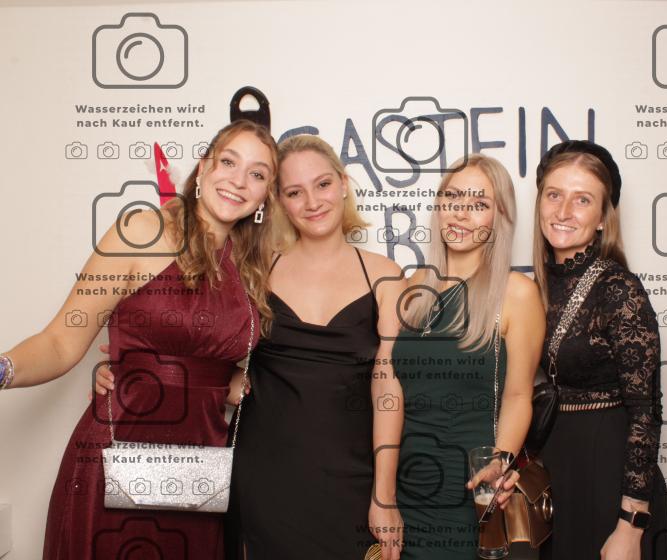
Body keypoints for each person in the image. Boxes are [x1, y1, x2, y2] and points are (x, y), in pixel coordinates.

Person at [1, 119, 281, 559]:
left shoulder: (253, 268)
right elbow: (59, 342)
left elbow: (225, 364)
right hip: (117, 457)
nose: (239, 180)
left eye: (257, 173)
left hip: (197, 475)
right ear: (204, 168)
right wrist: (3, 369)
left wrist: (230, 382)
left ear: (265, 195)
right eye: (229, 162)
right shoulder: (140, 232)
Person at [223, 134, 406, 560]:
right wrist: (137, 368)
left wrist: (384, 495)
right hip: (263, 472)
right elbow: (200, 336)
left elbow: (388, 389)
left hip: (352, 477)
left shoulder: (386, 277)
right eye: (294, 192)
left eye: (322, 184)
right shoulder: (256, 269)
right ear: (279, 201)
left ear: (343, 184)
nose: (312, 202)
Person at [392, 154, 545, 559]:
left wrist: (500, 462)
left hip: (474, 489)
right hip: (404, 485)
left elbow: (518, 396)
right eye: (453, 198)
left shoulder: (517, 294)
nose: (461, 212)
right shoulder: (411, 286)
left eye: (478, 203)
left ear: (499, 218)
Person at [532, 141, 667, 560]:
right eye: (554, 195)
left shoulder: (618, 289)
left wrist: (630, 525)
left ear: (602, 218)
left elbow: (646, 411)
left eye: (582, 200)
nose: (563, 211)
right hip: (556, 473)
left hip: (607, 476)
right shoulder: (537, 286)